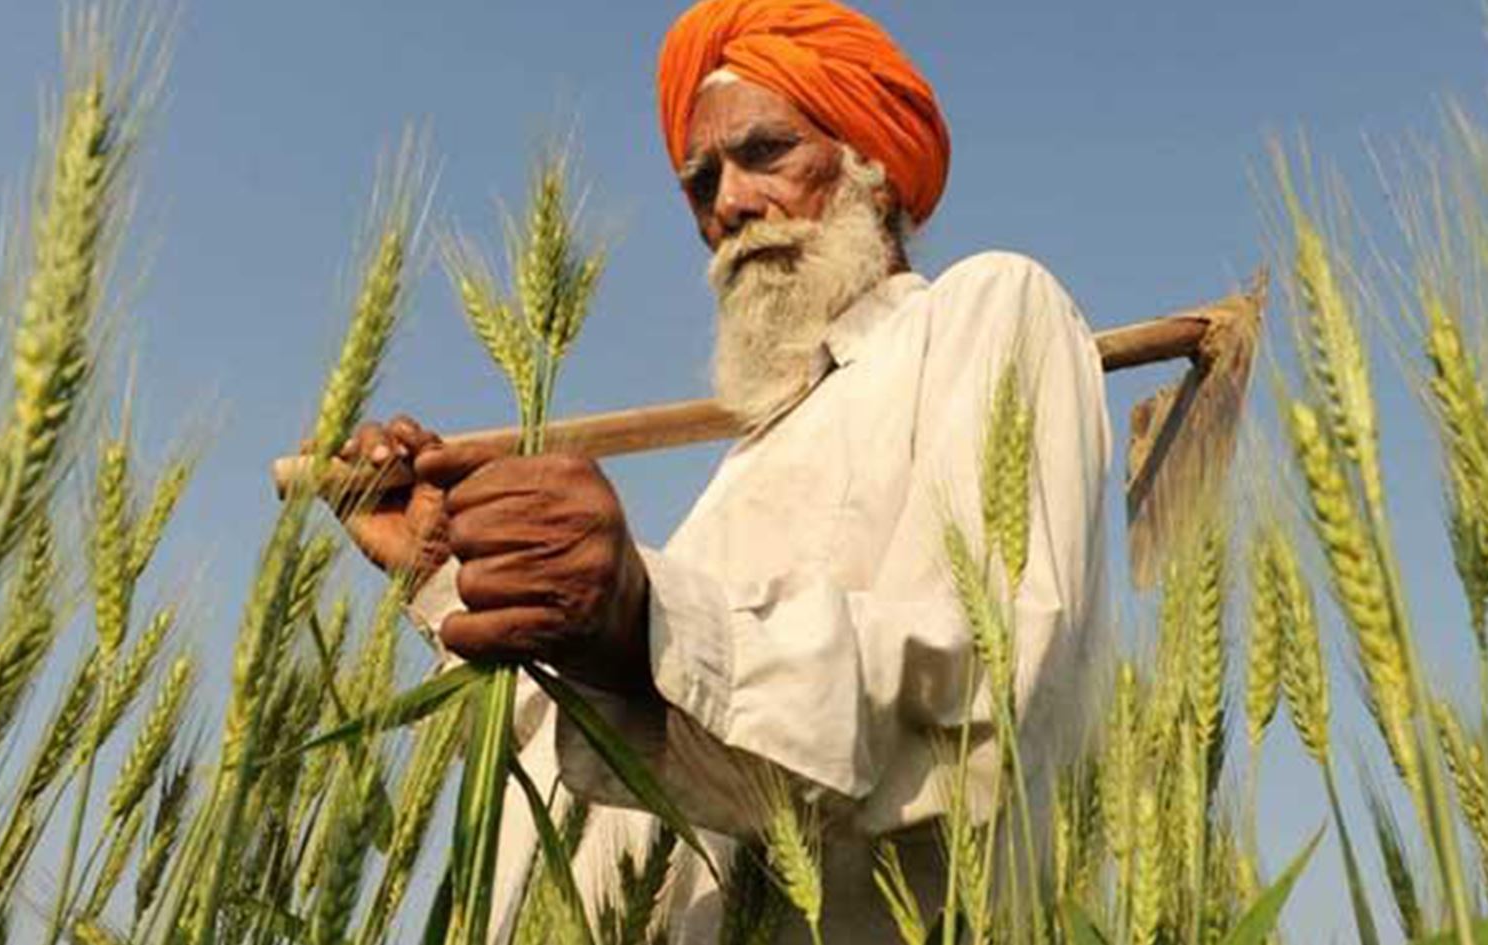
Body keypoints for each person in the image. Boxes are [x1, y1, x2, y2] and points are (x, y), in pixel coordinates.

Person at [332, 1, 1111, 940]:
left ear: (872, 162)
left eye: (766, 153)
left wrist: (643, 615)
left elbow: (985, 696)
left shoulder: (989, 311)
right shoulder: (750, 459)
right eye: (701, 182)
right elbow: (617, 764)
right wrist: (445, 573)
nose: (729, 204)